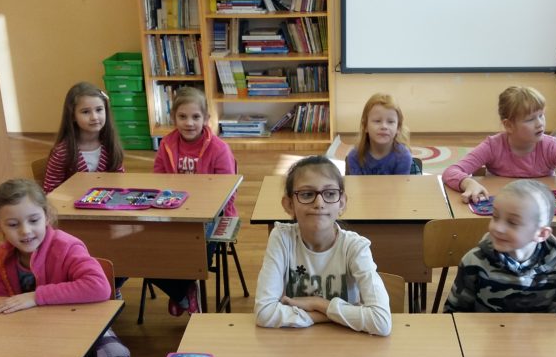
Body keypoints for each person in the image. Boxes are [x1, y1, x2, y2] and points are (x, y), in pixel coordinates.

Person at [0, 178, 129, 357]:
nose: (25, 231)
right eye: (12, 224)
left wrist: (36, 297)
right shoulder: (2, 257)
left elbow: (99, 286)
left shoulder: (66, 246)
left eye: (33, 221)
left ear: (47, 216)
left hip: (76, 325)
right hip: (30, 331)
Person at [254, 155, 392, 336]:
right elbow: (264, 313)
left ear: (342, 203)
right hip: (293, 343)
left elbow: (381, 321)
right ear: (289, 204)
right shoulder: (282, 238)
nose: (319, 203)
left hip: (348, 345)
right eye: (307, 194)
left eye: (330, 194)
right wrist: (329, 315)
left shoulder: (355, 247)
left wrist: (318, 304)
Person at [442, 86, 556, 209]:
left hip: (538, 210)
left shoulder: (551, 147)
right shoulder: (493, 146)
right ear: (509, 125)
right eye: (530, 119)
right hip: (503, 209)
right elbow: (451, 172)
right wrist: (469, 183)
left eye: (541, 115)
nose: (540, 123)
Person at [152, 87, 238, 316]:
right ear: (173, 117)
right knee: (146, 248)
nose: (189, 123)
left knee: (194, 250)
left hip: (213, 215)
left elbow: (228, 191)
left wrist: (203, 209)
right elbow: (157, 181)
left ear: (206, 118)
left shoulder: (219, 148)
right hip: (174, 212)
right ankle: (182, 293)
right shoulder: (166, 144)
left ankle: (182, 291)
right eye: (182, 116)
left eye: (195, 117)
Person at [444, 180, 556, 313]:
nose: (498, 228)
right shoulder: (474, 261)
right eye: (495, 216)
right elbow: (454, 313)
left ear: (541, 234)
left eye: (513, 222)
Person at [42, 81, 125, 194]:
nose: (94, 117)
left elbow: (120, 181)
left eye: (99, 110)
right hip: (72, 204)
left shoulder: (110, 145)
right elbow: (50, 191)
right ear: (73, 116)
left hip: (107, 204)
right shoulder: (62, 152)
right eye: (85, 112)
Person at [345, 93, 414, 175]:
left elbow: (400, 184)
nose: (384, 126)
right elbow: (356, 183)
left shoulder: (403, 156)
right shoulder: (354, 157)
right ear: (365, 126)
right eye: (377, 121)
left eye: (390, 122)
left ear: (398, 128)